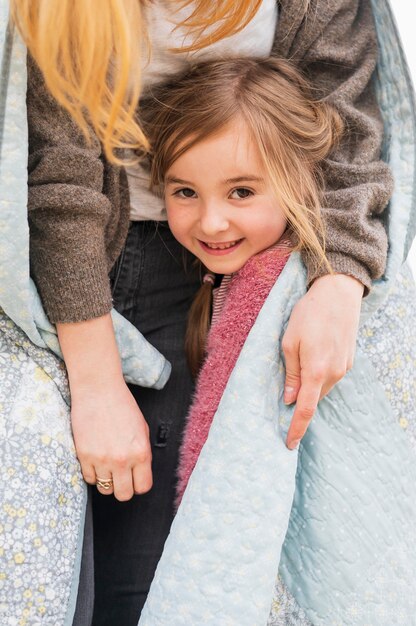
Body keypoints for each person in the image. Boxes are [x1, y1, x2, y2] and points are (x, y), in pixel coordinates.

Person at [7, 1, 394, 624]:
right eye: (186, 187)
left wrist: (340, 279)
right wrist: (97, 382)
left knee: (153, 576)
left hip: (245, 268)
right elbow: (58, 168)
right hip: (63, 266)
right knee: (43, 559)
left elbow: (344, 126)